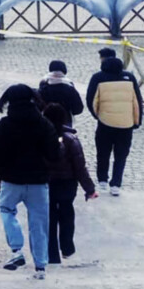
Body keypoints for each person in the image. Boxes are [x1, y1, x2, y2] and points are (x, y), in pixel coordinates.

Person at [0, 84, 58, 279]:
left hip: (11, 180)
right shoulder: (44, 124)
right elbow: (54, 154)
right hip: (38, 181)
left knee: (6, 210)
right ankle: (40, 266)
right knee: (39, 223)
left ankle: (16, 249)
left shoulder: (5, 124)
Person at [43, 103, 97, 265]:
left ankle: (52, 254)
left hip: (47, 184)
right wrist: (89, 189)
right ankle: (67, 247)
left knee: (49, 219)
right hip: (67, 183)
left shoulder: (41, 138)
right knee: (67, 213)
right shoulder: (71, 140)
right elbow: (80, 167)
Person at [86, 48, 143, 196]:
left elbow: (91, 100)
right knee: (121, 155)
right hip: (126, 124)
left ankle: (102, 180)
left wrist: (98, 115)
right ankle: (116, 183)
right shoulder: (129, 78)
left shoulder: (98, 78)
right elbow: (137, 102)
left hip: (105, 122)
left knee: (103, 152)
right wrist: (136, 121)